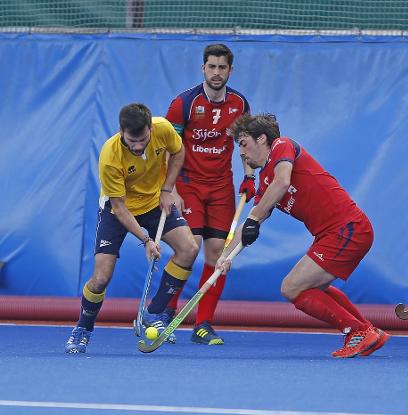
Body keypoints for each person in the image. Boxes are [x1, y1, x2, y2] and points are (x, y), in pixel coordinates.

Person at [216, 113, 389, 358]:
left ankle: (358, 331)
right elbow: (252, 219)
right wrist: (225, 257)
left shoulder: (281, 146)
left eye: (243, 144)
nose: (241, 153)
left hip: (347, 228)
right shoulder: (266, 182)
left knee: (292, 287)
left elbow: (283, 182)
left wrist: (255, 218)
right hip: (334, 234)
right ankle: (367, 331)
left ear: (262, 139)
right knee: (310, 287)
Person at [65, 103, 199, 354]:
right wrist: (146, 239)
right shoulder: (110, 155)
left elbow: (178, 153)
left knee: (189, 248)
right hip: (119, 210)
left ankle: (154, 312)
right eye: (131, 140)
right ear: (121, 131)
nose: (137, 146)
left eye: (142, 139)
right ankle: (83, 329)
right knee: (101, 278)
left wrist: (168, 189)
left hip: (153, 204)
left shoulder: (164, 129)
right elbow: (120, 208)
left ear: (150, 128)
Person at [164, 43, 255, 345]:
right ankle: (167, 313)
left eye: (222, 67)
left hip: (220, 187)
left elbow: (246, 143)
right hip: (188, 183)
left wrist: (250, 175)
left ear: (230, 70)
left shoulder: (240, 104)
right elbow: (169, 148)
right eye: (211, 67)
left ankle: (203, 324)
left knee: (219, 254)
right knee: (189, 247)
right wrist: (171, 188)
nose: (216, 73)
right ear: (202, 68)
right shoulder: (184, 104)